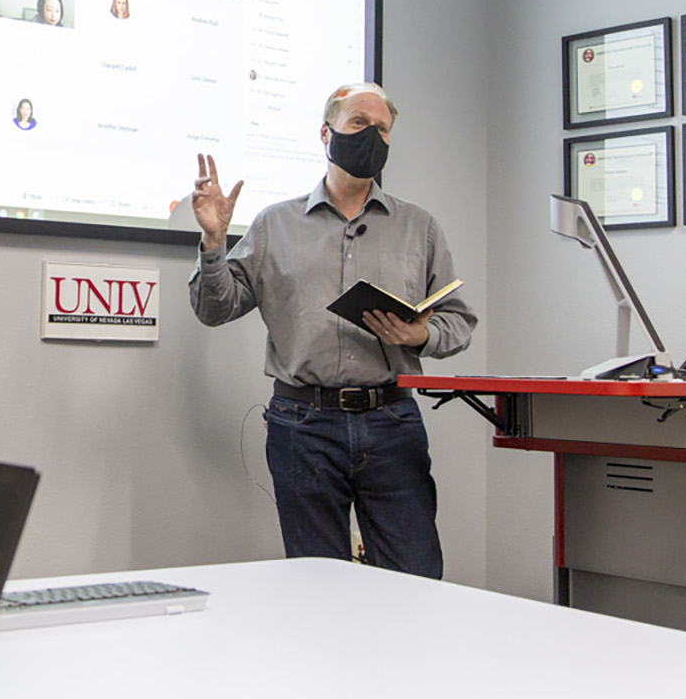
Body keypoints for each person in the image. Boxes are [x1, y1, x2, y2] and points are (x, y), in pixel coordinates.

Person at [188, 83, 476, 577]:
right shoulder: (274, 225)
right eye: (359, 124)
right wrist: (214, 242)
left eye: (382, 129)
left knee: (417, 576)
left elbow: (458, 320)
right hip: (302, 423)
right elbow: (216, 308)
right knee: (317, 586)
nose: (372, 136)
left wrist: (419, 337)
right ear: (326, 133)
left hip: (391, 423)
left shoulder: (418, 226)